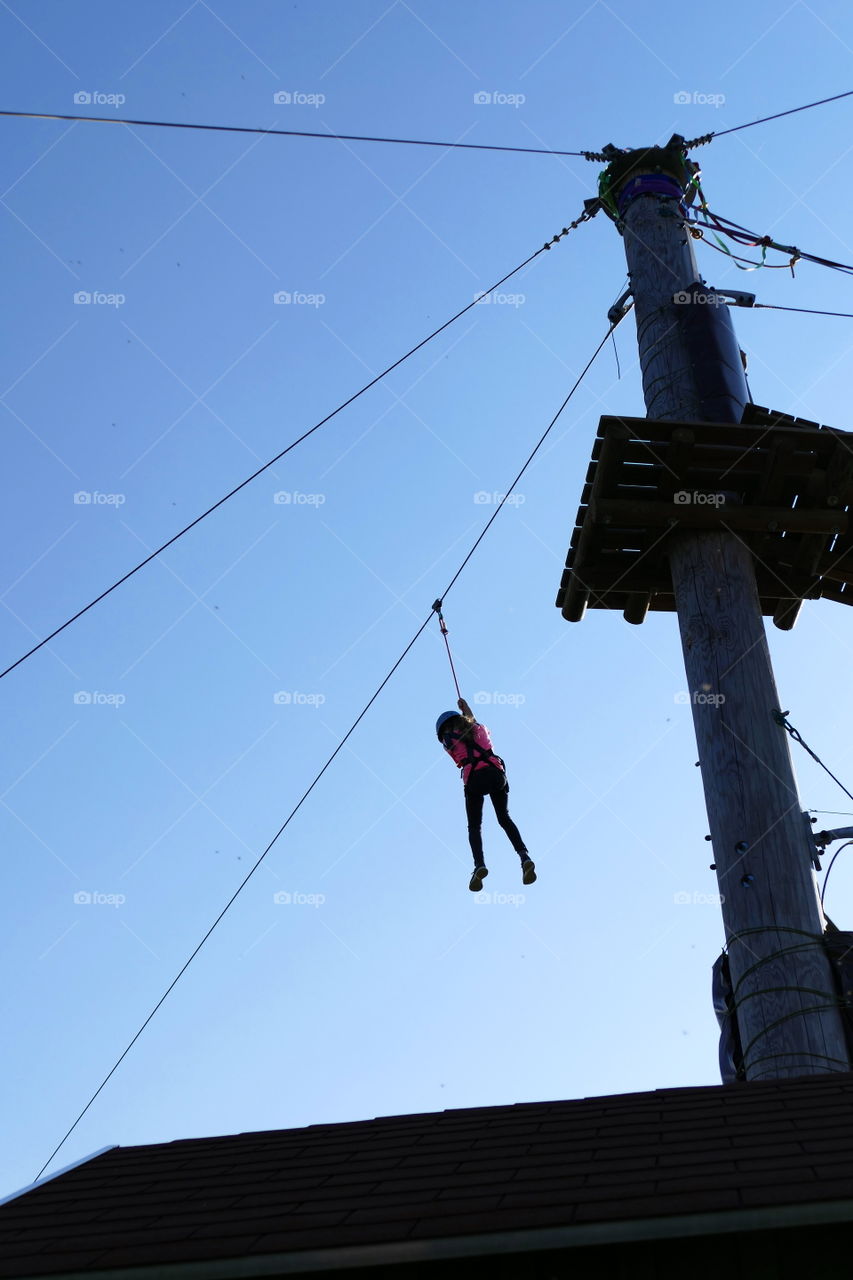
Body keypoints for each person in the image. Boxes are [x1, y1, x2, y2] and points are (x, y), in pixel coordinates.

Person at [436, 697, 536, 892]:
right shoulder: (479, 730)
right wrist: (467, 710)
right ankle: (524, 856)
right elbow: (473, 723)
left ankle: (479, 865)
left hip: (475, 781)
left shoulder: (448, 742)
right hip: (496, 775)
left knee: (474, 826)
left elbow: (457, 753)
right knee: (504, 818)